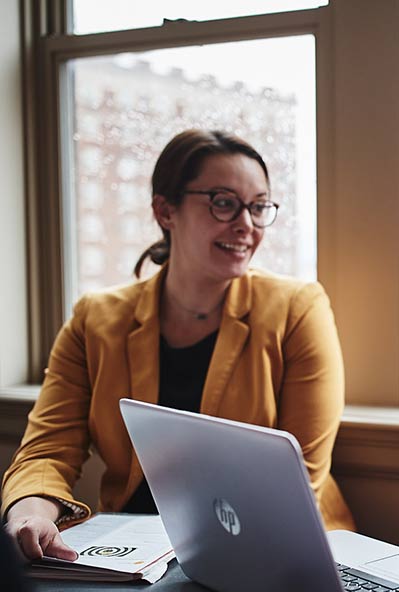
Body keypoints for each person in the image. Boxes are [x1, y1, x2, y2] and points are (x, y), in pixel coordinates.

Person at [2, 129, 355, 561]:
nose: (246, 224)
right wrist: (30, 515)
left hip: (276, 550)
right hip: (135, 554)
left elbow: (300, 476)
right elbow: (47, 449)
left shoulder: (297, 309)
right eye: (223, 203)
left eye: (259, 206)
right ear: (165, 211)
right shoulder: (95, 319)